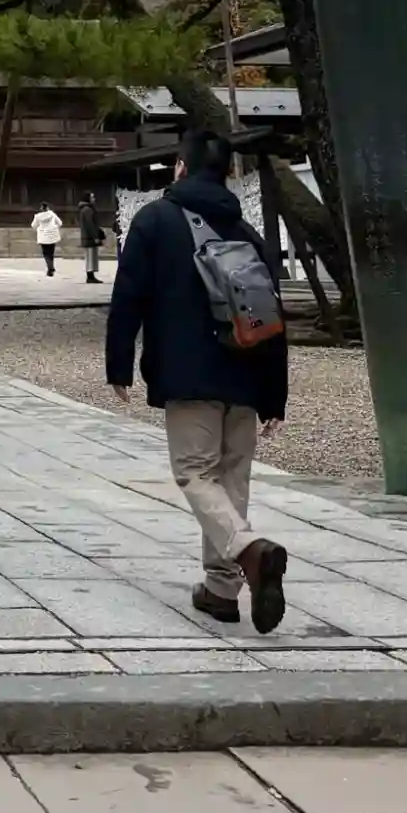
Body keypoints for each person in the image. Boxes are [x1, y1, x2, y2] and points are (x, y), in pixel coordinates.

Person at [105, 128, 290, 631]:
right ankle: (221, 591)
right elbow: (273, 314)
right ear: (228, 173)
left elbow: (128, 296)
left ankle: (248, 549)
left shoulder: (155, 220)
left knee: (195, 473)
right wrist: (275, 395)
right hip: (247, 373)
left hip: (188, 373)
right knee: (232, 478)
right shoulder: (247, 232)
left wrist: (119, 365)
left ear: (180, 167)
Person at [76, 194, 107, 284]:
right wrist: (95, 236)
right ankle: (90, 276)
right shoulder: (87, 210)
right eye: (92, 197)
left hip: (87, 236)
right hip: (89, 237)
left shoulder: (85, 209)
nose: (94, 198)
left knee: (90, 256)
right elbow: (90, 224)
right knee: (90, 257)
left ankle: (91, 275)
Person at [31, 203, 63, 275]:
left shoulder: (38, 216)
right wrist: (55, 228)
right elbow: (60, 223)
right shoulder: (52, 214)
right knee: (51, 253)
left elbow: (33, 225)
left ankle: (50, 268)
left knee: (46, 253)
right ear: (47, 207)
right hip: (52, 236)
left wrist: (39, 229)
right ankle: (51, 267)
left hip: (43, 237)